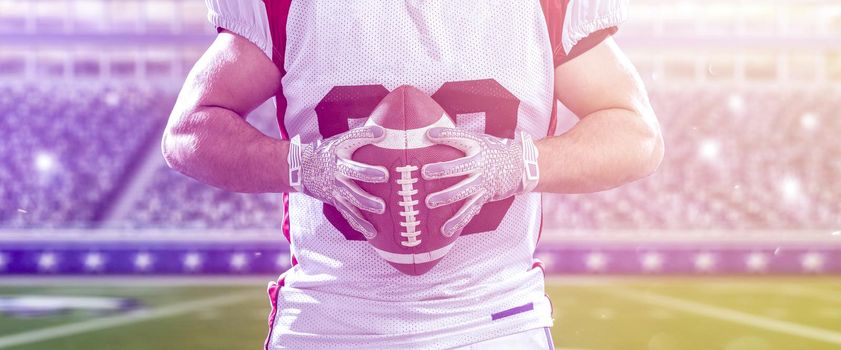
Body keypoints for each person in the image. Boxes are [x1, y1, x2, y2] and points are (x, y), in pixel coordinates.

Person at [162, 1, 663, 348]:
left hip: (492, 320)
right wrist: (304, 166)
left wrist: (518, 164)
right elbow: (188, 132)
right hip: (329, 321)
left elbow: (637, 135)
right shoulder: (288, 5)